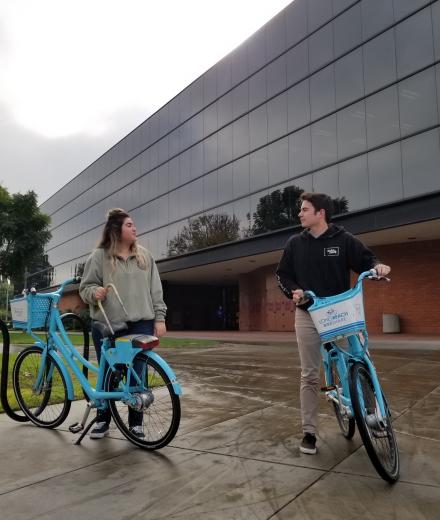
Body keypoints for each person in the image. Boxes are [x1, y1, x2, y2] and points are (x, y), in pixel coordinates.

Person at [276, 193, 390, 455]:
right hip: (308, 314)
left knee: (359, 360)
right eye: (300, 210)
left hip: (340, 312)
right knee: (310, 374)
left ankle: (374, 416)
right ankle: (309, 433)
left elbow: (367, 259)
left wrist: (378, 266)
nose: (300, 214)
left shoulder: (343, 239)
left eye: (305, 209)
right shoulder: (295, 243)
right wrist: (293, 291)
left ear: (321, 213)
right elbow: (282, 274)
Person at [79, 208, 167, 439]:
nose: (134, 228)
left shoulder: (145, 256)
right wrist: (93, 292)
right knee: (108, 372)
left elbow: (156, 290)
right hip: (108, 325)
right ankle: (102, 420)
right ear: (116, 230)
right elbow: (84, 288)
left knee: (137, 374)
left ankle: (135, 424)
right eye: (129, 225)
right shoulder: (98, 257)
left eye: (133, 224)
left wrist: (160, 318)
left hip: (141, 324)